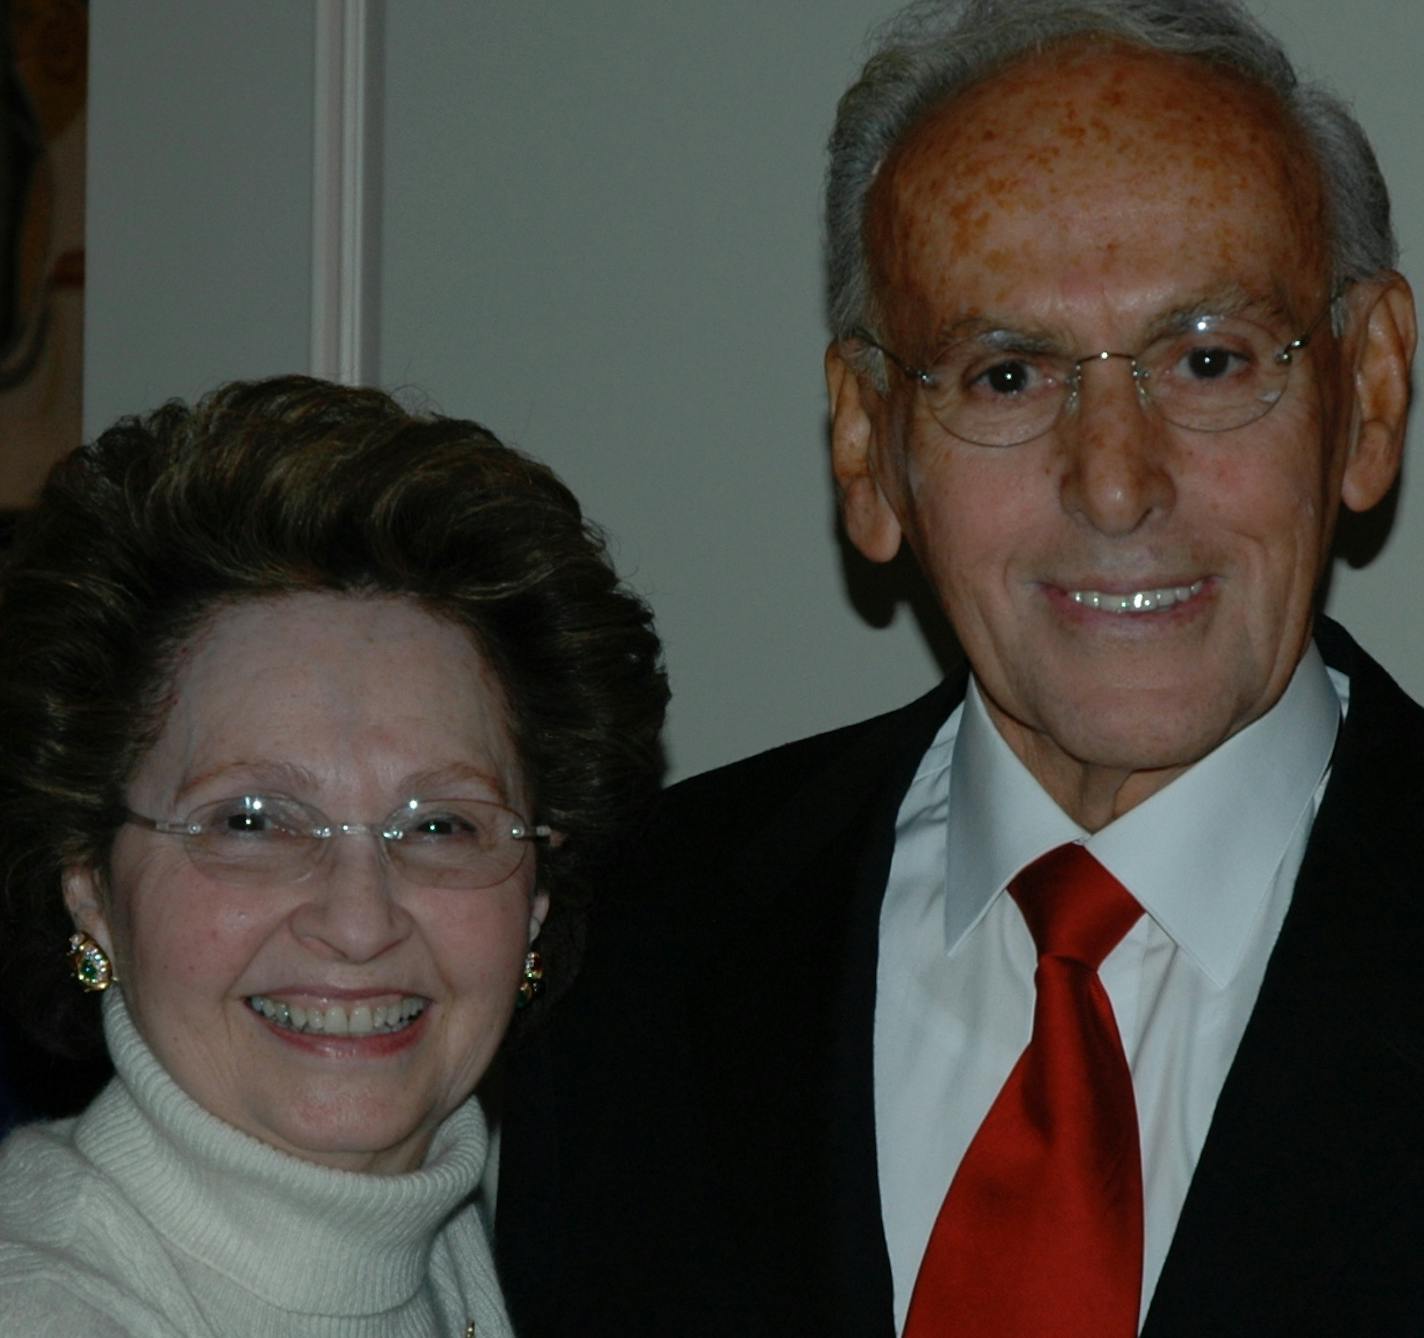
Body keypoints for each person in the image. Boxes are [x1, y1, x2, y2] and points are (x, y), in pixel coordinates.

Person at [495, 1, 1421, 1334]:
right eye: (1005, 377)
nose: (1114, 483)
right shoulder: (623, 948)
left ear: (1368, 393)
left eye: (1209, 359)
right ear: (871, 446)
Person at [0, 376, 668, 1335]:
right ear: (89, 883)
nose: (360, 923)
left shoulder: (479, 1252)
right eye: (252, 822)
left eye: (441, 826)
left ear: (537, 898)